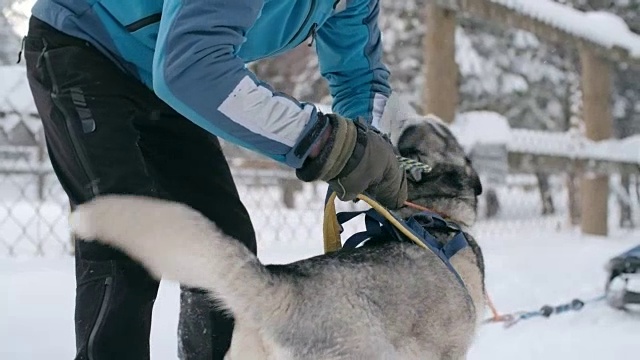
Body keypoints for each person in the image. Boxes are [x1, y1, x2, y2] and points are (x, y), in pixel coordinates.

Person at [21, 0, 408, 359]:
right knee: (128, 242)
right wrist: (324, 142)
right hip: (85, 43)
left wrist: (367, 158)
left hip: (165, 68)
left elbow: (359, 79)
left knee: (224, 243)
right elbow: (191, 69)